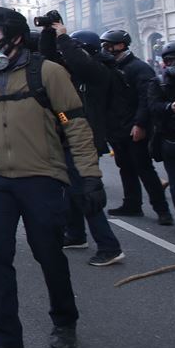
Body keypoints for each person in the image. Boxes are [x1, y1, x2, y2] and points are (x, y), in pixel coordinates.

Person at [0, 8, 104, 348]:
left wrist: (89, 176)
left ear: (15, 36)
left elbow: (74, 123)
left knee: (48, 253)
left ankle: (65, 321)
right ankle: (6, 339)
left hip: (41, 177)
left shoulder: (49, 73)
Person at [39, 24, 125, 266]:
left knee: (87, 194)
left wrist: (65, 37)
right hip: (68, 137)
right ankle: (76, 234)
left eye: (73, 50)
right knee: (72, 191)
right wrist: (49, 33)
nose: (66, 55)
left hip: (85, 141)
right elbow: (49, 58)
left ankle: (110, 247)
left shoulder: (98, 72)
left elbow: (80, 62)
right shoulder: (74, 73)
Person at [100, 29, 173, 224]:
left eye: (109, 45)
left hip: (134, 127)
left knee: (144, 169)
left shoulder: (139, 68)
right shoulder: (109, 67)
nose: (105, 49)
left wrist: (140, 124)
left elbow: (146, 99)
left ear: (121, 45)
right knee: (125, 167)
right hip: (117, 128)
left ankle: (162, 210)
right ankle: (132, 204)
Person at [148, 41, 175, 235]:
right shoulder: (158, 82)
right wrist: (170, 108)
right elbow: (152, 107)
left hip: (171, 139)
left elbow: (152, 107)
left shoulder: (158, 81)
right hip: (171, 138)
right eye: (171, 60)